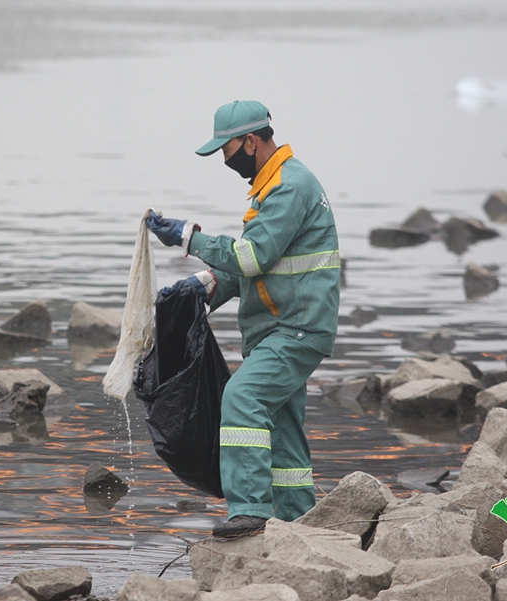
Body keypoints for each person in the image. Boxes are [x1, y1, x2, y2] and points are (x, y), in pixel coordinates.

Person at [146, 100, 340, 538]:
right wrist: (203, 287)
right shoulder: (272, 186)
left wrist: (189, 236)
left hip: (295, 329)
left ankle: (250, 511)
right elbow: (258, 265)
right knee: (284, 430)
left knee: (241, 399)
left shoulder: (289, 186)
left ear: (251, 141)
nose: (224, 159)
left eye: (226, 149)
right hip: (281, 327)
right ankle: (298, 521)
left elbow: (253, 257)